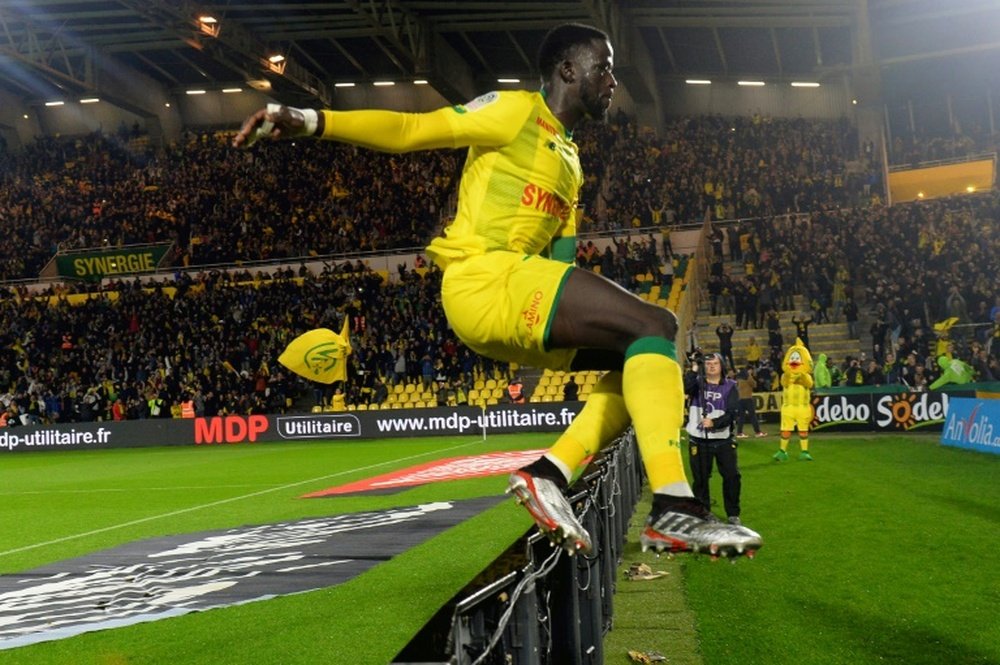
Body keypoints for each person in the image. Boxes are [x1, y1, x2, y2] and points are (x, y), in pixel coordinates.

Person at [233, 22, 760, 558]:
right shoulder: (516, 111)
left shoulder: (572, 162)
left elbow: (561, 263)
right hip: (482, 280)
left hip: (517, 294)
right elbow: (413, 131)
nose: (613, 81)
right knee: (657, 323)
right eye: (603, 68)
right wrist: (309, 119)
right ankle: (673, 506)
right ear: (567, 70)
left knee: (641, 354)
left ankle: (548, 472)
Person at [684, 354, 745, 524]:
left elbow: (733, 413)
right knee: (701, 479)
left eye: (715, 363)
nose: (711, 366)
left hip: (723, 440)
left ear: (722, 366)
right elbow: (684, 388)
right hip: (698, 440)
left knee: (732, 477)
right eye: (708, 364)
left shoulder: (731, 386)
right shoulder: (696, 384)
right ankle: (704, 512)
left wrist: (714, 423)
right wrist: (694, 368)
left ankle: (733, 514)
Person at [734, 366, 766, 438]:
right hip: (748, 398)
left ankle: (739, 433)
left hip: (740, 399)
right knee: (753, 416)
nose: (752, 372)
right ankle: (758, 432)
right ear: (749, 370)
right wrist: (751, 376)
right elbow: (754, 384)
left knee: (741, 417)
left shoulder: (738, 377)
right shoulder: (748, 376)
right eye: (751, 370)